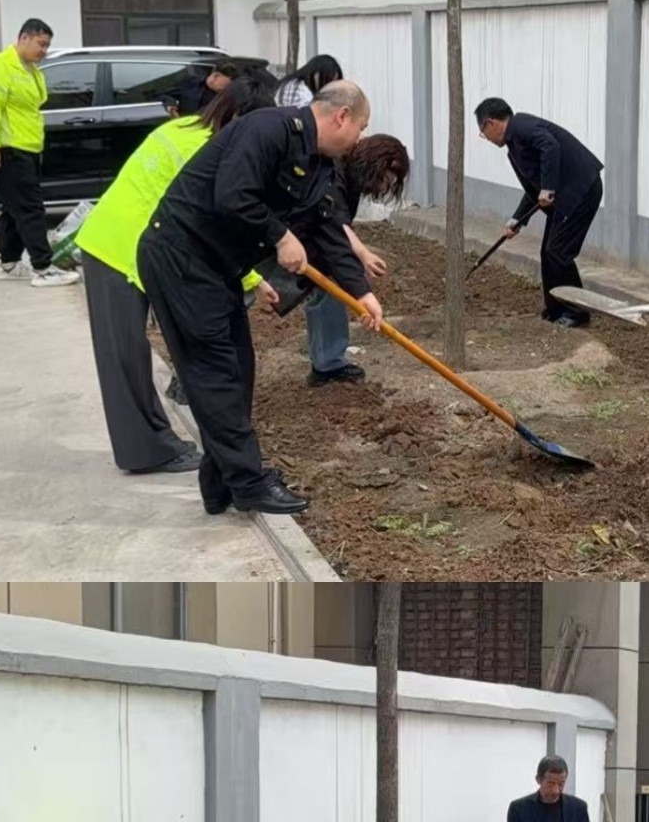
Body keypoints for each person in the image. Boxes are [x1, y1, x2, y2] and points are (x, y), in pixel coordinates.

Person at [136, 81, 383, 517]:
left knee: (237, 370)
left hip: (218, 268)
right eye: (361, 127)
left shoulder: (320, 165)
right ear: (341, 116)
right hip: (181, 258)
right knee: (215, 372)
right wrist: (281, 236)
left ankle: (221, 483)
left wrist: (361, 293)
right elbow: (233, 194)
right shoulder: (267, 130)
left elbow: (329, 229)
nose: (359, 138)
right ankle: (248, 483)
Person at [77, 77, 277, 475]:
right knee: (125, 358)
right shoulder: (204, 150)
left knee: (132, 354)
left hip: (129, 242)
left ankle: (156, 439)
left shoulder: (188, 127)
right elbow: (208, 226)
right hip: (117, 248)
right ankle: (148, 451)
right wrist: (252, 280)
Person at [474, 97, 603, 328]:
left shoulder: (521, 126)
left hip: (581, 189)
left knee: (558, 251)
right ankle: (555, 308)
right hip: (564, 194)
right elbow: (534, 189)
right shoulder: (514, 147)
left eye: (483, 133)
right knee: (548, 252)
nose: (486, 139)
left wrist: (548, 187)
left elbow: (550, 146)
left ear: (491, 123)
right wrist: (517, 220)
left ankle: (577, 312)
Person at [295, 133, 411, 386]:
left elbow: (341, 224)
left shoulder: (352, 176)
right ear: (374, 166)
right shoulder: (334, 172)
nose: (384, 187)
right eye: (384, 179)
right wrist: (362, 266)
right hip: (290, 238)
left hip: (314, 240)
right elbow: (336, 226)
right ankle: (327, 363)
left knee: (332, 287)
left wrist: (361, 254)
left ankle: (327, 363)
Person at [0, 17, 79, 288]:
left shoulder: (31, 69)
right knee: (31, 208)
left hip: (29, 146)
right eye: (40, 44)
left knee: (13, 207)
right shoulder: (0, 66)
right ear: (24, 38)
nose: (44, 50)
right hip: (10, 149)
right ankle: (43, 267)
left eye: (47, 46)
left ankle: (9, 263)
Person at [165, 60, 238, 118]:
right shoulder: (191, 83)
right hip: (181, 124)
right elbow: (166, 94)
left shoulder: (226, 99)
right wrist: (170, 104)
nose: (213, 79)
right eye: (215, 75)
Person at [276, 54, 343, 108]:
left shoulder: (293, 83)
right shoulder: (300, 91)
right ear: (317, 74)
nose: (329, 88)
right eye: (327, 81)